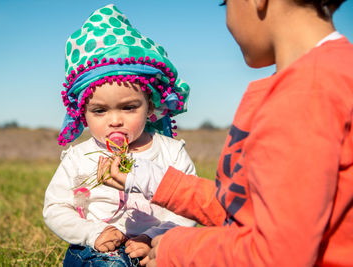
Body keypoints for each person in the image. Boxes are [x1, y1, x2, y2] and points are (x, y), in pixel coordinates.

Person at [103, 0, 353, 266]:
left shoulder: (304, 93)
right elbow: (246, 208)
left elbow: (277, 255)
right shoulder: (326, 76)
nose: (228, 21)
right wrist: (152, 179)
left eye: (225, 4)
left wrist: (176, 250)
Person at [42, 4, 197, 267]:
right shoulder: (79, 157)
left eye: (128, 107)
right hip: (96, 250)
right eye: (100, 111)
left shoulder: (170, 151)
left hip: (155, 248)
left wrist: (154, 236)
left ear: (149, 105)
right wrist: (93, 233)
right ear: (83, 113)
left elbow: (187, 209)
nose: (115, 120)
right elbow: (56, 209)